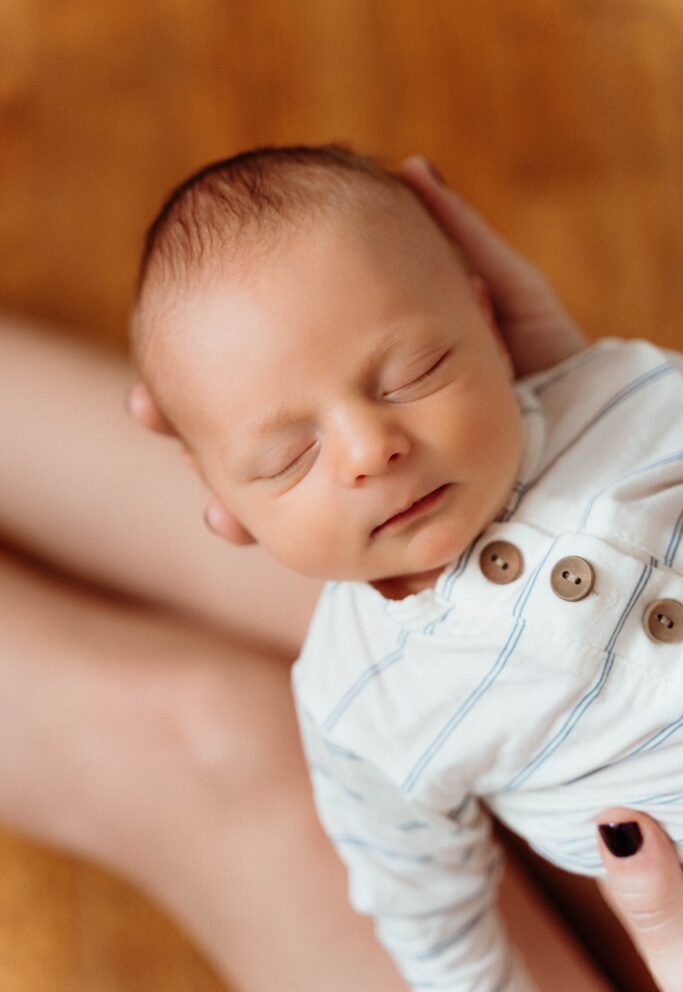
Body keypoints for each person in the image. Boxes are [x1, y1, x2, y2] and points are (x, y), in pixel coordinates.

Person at [0, 155, 680, 992]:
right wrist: (605, 407)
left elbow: (436, 929)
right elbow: (427, 907)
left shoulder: (359, 700)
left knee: (220, 741)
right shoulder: (627, 389)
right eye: (289, 454)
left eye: (413, 373)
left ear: (482, 319)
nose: (368, 449)